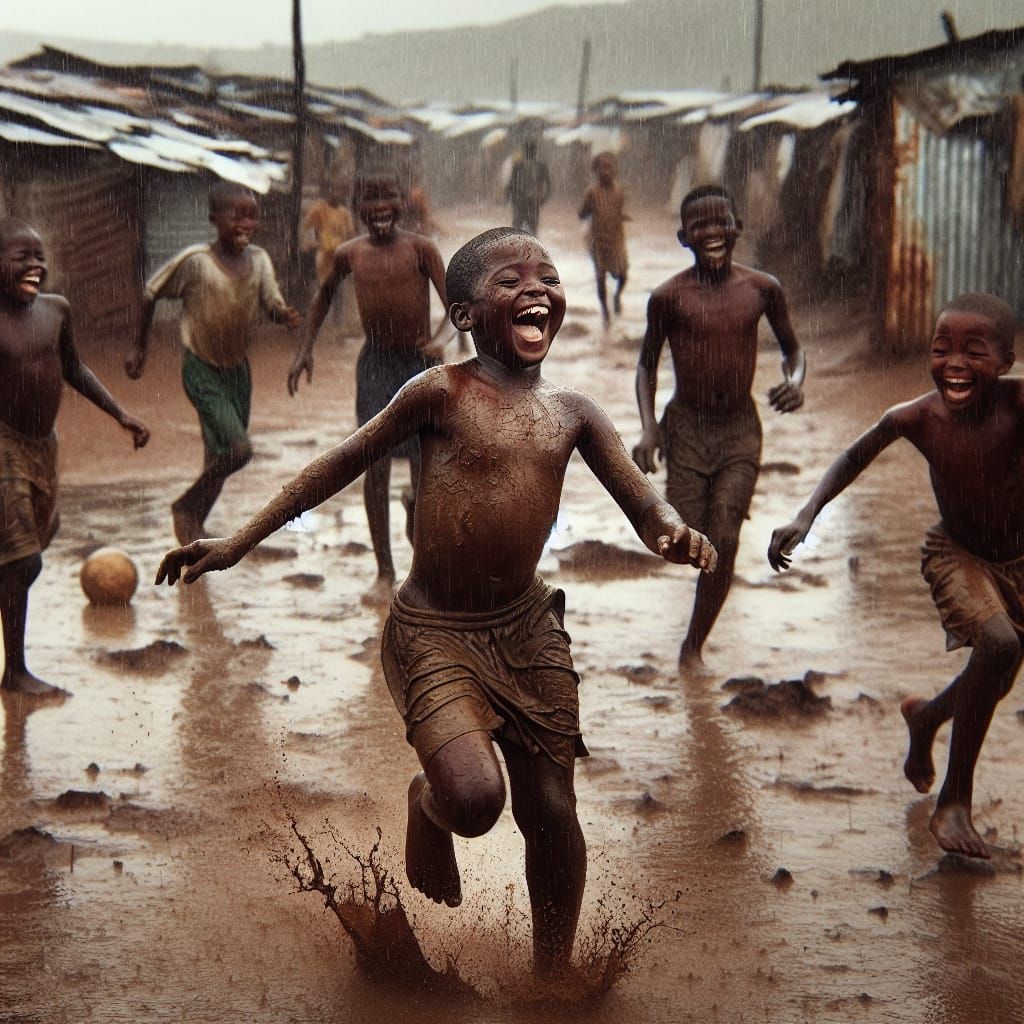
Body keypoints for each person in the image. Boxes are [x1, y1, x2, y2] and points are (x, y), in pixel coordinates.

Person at [156, 227, 717, 976]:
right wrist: (235, 543)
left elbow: (642, 502)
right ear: (463, 316)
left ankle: (553, 974)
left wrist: (673, 531)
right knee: (477, 799)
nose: (536, 291)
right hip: (436, 632)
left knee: (551, 809)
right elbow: (338, 465)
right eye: (511, 281)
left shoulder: (575, 411)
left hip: (527, 629)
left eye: (546, 278)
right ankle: (429, 804)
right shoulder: (438, 393)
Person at [769, 293, 1023, 861]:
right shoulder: (916, 418)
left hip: (1020, 561)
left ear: (1007, 361)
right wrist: (805, 515)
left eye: (974, 352)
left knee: (998, 674)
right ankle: (954, 800)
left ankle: (927, 717)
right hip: (958, 554)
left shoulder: (1018, 402)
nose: (954, 363)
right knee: (1000, 645)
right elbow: (852, 458)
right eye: (941, 349)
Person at [633, 184, 805, 672]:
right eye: (699, 225)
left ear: (737, 228)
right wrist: (649, 430)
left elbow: (793, 350)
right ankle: (700, 610)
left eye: (720, 222)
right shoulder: (668, 297)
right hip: (685, 428)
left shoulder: (762, 289)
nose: (711, 233)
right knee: (686, 543)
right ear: (683, 236)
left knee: (724, 536)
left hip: (739, 430)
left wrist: (795, 381)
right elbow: (646, 366)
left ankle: (693, 646)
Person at [0, 219, 149, 697]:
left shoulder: (56, 311)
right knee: (22, 559)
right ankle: (16, 673)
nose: (35, 265)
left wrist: (120, 413)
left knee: (34, 548)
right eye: (21, 256)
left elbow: (74, 369)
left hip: (44, 446)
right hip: (2, 446)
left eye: (39, 256)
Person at [287, 169, 448, 586]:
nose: (380, 208)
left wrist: (442, 341)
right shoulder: (350, 254)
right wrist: (305, 350)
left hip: (419, 366)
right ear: (357, 209)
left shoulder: (422, 249)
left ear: (402, 204)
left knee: (423, 466)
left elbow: (458, 307)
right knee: (373, 464)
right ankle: (385, 570)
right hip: (375, 365)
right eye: (371, 199)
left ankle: (422, 555)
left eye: (388, 197)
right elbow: (322, 298)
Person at [126, 182, 301, 546]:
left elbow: (270, 302)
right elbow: (150, 292)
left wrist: (283, 315)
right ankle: (185, 507)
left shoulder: (260, 260)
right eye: (236, 215)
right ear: (213, 219)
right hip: (201, 367)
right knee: (239, 451)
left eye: (252, 215)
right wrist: (139, 348)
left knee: (218, 455)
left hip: (237, 371)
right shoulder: (196, 262)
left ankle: (193, 528)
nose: (246, 223)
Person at [578, 151, 629, 326]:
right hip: (598, 240)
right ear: (596, 170)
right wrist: (589, 211)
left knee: (622, 274)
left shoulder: (620, 190)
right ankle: (605, 312)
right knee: (600, 276)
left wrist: (621, 216)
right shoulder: (591, 192)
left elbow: (618, 210)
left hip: (616, 239)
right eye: (603, 167)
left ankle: (617, 296)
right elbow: (582, 213)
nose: (607, 171)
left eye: (610, 167)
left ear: (614, 170)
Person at [304, 177, 356, 289]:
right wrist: (312, 240)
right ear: (328, 191)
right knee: (325, 289)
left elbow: (351, 235)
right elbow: (307, 225)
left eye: (339, 190)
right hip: (324, 257)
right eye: (333, 189)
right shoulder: (320, 209)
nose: (336, 193)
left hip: (338, 258)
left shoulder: (345, 214)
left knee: (338, 290)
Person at [505, 140, 551, 236]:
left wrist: (509, 198)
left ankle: (518, 249)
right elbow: (548, 186)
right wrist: (542, 199)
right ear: (535, 151)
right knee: (532, 232)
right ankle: (531, 249)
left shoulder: (518, 166)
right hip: (532, 203)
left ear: (525, 152)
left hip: (520, 203)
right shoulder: (541, 166)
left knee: (517, 232)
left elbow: (510, 185)